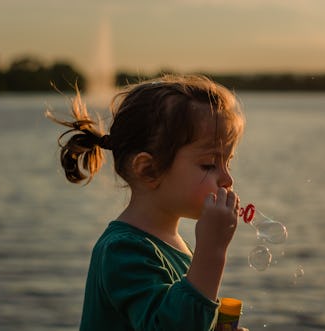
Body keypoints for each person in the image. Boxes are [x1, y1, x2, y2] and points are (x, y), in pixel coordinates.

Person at [47, 74, 248, 331]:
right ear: (148, 170)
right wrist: (212, 251)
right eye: (209, 164)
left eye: (227, 162)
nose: (227, 179)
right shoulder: (122, 251)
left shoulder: (173, 245)